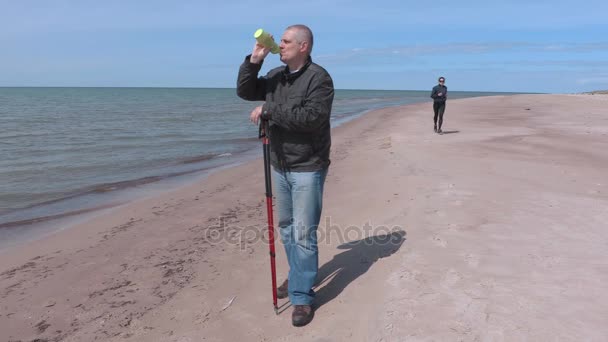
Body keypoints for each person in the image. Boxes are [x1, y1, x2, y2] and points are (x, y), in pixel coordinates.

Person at [236, 24, 334, 327]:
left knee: (304, 233)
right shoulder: (276, 76)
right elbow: (245, 91)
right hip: (280, 163)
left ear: (303, 46)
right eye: (280, 40)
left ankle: (302, 297)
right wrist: (254, 60)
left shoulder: (319, 78)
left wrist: (270, 111)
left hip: (308, 164)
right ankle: (297, 278)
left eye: (286, 41)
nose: (280, 45)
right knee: (288, 227)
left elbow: (311, 118)